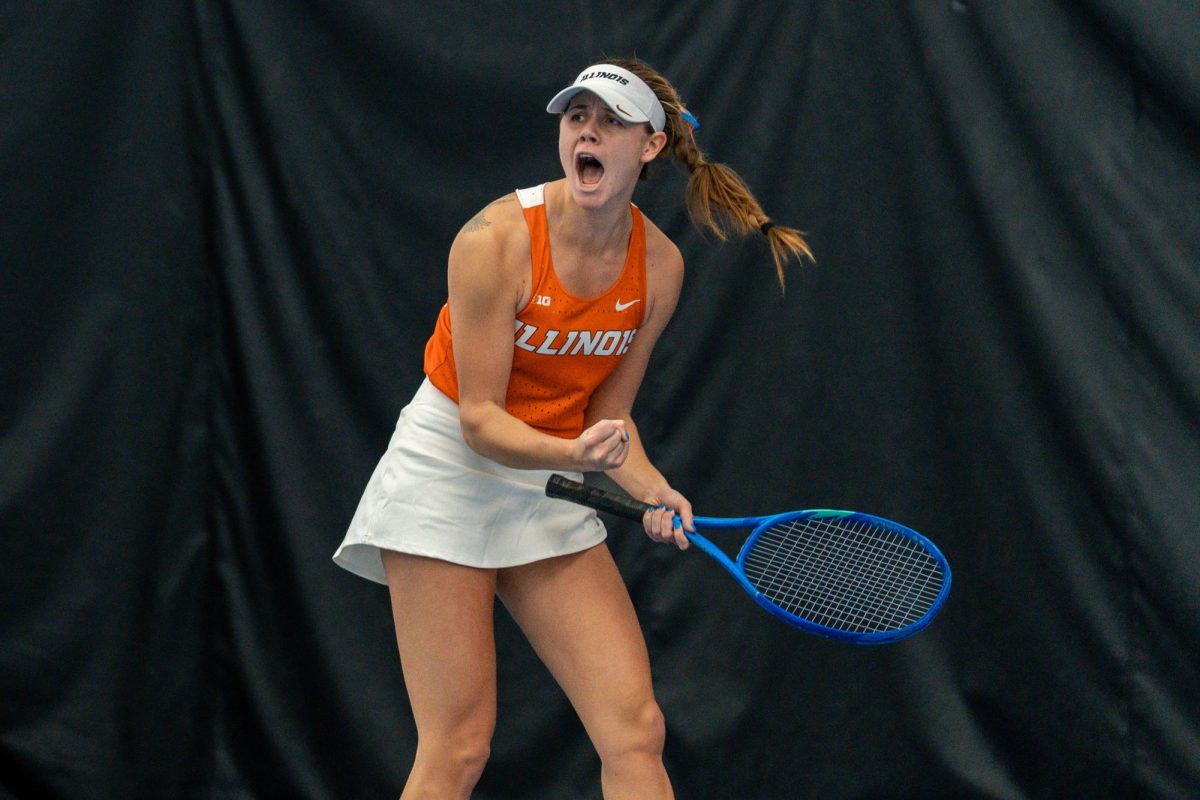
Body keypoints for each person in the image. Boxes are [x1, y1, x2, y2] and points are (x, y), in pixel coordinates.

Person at [333, 57, 813, 800]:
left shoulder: (660, 267)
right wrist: (572, 457)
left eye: (611, 120)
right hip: (448, 468)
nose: (587, 132)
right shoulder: (494, 240)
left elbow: (608, 417)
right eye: (576, 116)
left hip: (553, 469)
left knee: (635, 729)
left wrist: (654, 489)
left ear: (650, 147)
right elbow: (481, 421)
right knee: (457, 748)